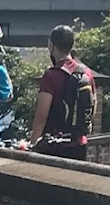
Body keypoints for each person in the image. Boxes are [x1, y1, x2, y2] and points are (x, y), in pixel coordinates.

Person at [30, 25, 95, 161]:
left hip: (54, 145)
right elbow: (92, 107)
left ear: (50, 45)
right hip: (79, 144)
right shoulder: (86, 73)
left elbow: (42, 115)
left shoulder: (51, 75)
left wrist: (33, 145)